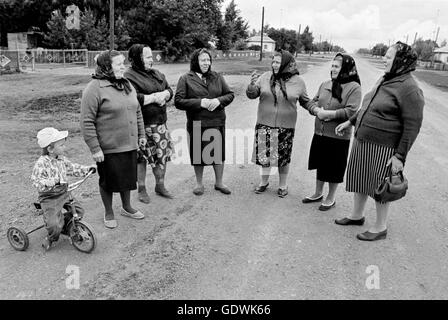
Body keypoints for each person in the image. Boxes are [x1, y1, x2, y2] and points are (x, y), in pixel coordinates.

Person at [335, 42, 424, 241]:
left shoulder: (409, 88)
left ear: (400, 61)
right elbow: (368, 105)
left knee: (380, 187)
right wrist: (350, 122)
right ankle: (357, 215)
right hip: (363, 141)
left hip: (384, 147)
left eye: (389, 56)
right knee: (360, 179)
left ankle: (380, 227)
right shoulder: (386, 79)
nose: (384, 59)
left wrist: (400, 156)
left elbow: (413, 125)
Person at [80, 50, 146, 229]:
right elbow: (86, 122)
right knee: (108, 181)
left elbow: (137, 110)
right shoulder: (94, 88)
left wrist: (141, 135)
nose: (123, 66)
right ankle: (108, 211)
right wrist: (95, 148)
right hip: (108, 147)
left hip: (129, 144)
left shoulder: (127, 84)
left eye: (123, 62)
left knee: (127, 178)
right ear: (107, 67)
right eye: (119, 63)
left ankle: (127, 207)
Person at [246, 49, 311, 198]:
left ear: (287, 64)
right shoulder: (265, 77)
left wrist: (317, 110)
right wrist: (251, 86)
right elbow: (252, 94)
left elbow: (306, 102)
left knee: (283, 158)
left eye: (278, 62)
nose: (274, 65)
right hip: (264, 122)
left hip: (285, 126)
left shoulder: (298, 82)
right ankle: (264, 182)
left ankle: (283, 185)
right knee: (264, 157)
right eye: (273, 62)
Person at [303, 53, 362, 210]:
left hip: (338, 136)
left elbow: (352, 112)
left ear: (346, 69)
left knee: (334, 167)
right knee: (321, 163)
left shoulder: (354, 88)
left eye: (337, 66)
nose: (333, 69)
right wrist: (316, 110)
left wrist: (330, 114)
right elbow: (312, 102)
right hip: (320, 132)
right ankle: (318, 193)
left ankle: (331, 197)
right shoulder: (325, 84)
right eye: (332, 66)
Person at [175, 48, 235, 196]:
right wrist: (199, 102)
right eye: (203, 60)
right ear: (196, 61)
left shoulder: (217, 77)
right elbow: (178, 101)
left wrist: (218, 100)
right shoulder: (185, 78)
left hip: (216, 121)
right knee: (198, 154)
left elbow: (230, 94)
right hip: (197, 122)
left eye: (208, 60)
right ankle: (199, 183)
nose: (206, 63)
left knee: (218, 154)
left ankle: (219, 182)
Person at [125, 44, 175, 203]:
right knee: (142, 158)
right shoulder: (129, 76)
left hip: (160, 124)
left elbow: (169, 90)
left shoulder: (156, 73)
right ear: (138, 58)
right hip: (141, 126)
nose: (151, 60)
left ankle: (160, 185)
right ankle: (141, 189)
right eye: (147, 57)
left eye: (151, 56)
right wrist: (154, 97)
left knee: (162, 156)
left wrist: (165, 94)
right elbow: (133, 98)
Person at [31, 127, 95, 251]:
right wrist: (49, 182)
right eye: (61, 145)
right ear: (50, 149)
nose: (64, 147)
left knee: (79, 211)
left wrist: (87, 169)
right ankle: (52, 236)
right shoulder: (41, 163)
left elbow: (73, 168)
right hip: (50, 197)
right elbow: (35, 181)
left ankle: (66, 226)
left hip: (64, 192)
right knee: (54, 226)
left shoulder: (61, 159)